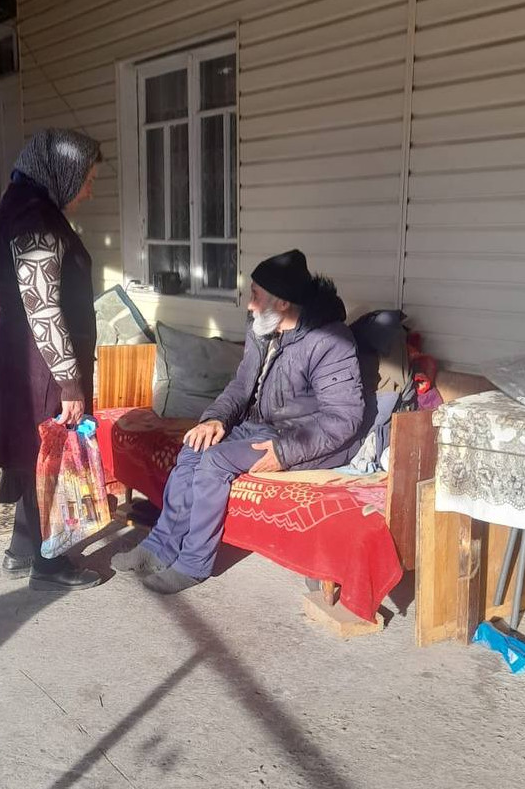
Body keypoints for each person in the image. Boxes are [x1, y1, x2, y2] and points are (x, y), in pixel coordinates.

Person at [112, 249, 366, 594]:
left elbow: (343, 419)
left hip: (303, 439)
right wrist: (215, 419)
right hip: (261, 425)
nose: (249, 304)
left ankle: (193, 564)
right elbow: (241, 385)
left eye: (256, 295)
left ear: (282, 303)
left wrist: (284, 452)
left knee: (215, 460)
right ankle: (160, 547)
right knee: (194, 446)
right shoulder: (264, 328)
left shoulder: (330, 342)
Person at [0, 128, 103, 591]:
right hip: (42, 363)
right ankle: (49, 564)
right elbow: (43, 306)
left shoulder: (15, 205)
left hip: (21, 355)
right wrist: (70, 382)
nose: (89, 191)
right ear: (62, 171)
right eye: (87, 180)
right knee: (48, 459)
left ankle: (20, 550)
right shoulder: (35, 219)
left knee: (29, 451)